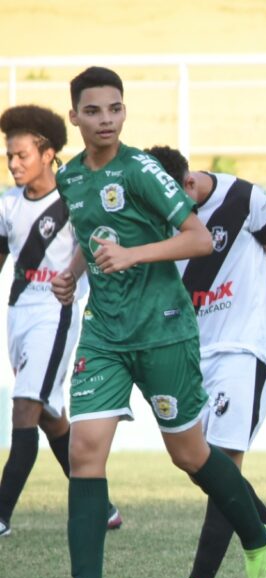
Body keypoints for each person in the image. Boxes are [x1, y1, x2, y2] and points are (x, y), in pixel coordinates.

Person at [28, 66, 266, 578]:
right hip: (105, 333)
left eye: (115, 109)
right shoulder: (71, 178)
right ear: (74, 117)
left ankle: (262, 541)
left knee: (189, 454)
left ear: (124, 111)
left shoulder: (141, 170)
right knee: (84, 449)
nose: (106, 120)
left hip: (163, 329)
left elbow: (197, 238)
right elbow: (93, 231)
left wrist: (133, 255)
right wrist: (74, 272)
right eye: (93, 111)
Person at [145, 146, 266, 578]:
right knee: (201, 465)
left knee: (223, 459)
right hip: (191, 354)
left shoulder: (244, 199)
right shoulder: (156, 214)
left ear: (188, 184)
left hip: (243, 347)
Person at [0, 105, 122, 536]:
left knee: (25, 406)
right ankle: (103, 508)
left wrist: (73, 275)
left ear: (48, 153)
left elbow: (96, 243)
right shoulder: (8, 204)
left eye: (22, 155)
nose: (14, 164)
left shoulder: (74, 198)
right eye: (9, 156)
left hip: (56, 313)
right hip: (19, 315)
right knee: (50, 416)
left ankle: (1, 515)